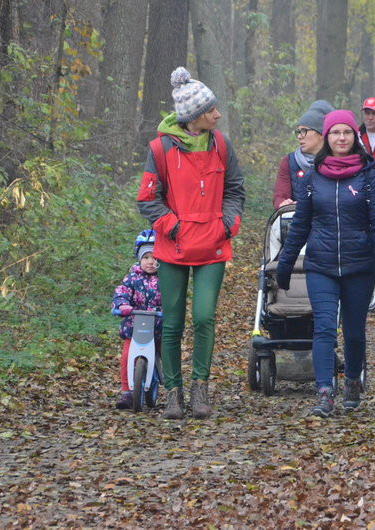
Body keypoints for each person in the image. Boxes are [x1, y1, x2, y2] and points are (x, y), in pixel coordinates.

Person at [137, 66, 245, 420]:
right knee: (172, 322)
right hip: (174, 247)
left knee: (203, 317)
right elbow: (148, 199)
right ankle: (173, 392)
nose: (217, 115)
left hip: (212, 245)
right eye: (211, 110)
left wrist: (227, 224)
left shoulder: (222, 145)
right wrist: (173, 226)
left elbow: (235, 190)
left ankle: (200, 388)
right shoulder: (160, 149)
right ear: (195, 115)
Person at [275, 110, 375, 418]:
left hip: (359, 265)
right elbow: (300, 224)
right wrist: (285, 262)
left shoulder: (367, 174)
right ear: (327, 138)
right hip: (321, 265)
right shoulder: (314, 176)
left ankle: (352, 380)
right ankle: (324, 391)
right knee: (324, 329)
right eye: (335, 133)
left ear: (355, 136)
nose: (341, 138)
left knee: (353, 332)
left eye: (347, 132)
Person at [111, 230, 163, 409]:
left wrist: (171, 309)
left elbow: (173, 297)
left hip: (158, 326)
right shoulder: (132, 278)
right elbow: (122, 292)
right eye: (146, 257)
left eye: (154, 257)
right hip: (134, 328)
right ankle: (127, 391)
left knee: (167, 353)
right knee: (127, 356)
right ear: (139, 259)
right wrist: (122, 305)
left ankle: (171, 383)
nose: (150, 261)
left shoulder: (165, 278)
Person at [273, 100, 334, 209]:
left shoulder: (339, 161)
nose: (299, 136)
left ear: (321, 134)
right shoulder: (289, 162)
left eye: (304, 131)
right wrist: (283, 203)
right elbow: (280, 195)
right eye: (298, 132)